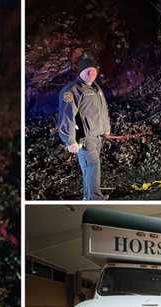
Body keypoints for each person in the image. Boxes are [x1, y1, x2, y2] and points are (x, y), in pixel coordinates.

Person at [57, 54, 111, 200]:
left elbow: (103, 109)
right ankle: (95, 199)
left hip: (97, 136)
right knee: (93, 166)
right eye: (87, 70)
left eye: (93, 70)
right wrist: (70, 140)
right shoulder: (72, 90)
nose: (91, 72)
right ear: (80, 72)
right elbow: (66, 116)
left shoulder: (96, 89)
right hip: (84, 138)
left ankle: (88, 198)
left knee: (90, 169)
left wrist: (106, 128)